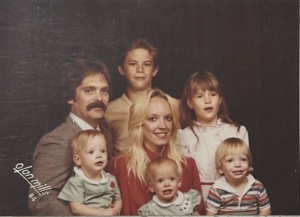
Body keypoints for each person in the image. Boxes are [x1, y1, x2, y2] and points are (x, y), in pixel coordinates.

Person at [28, 58, 111, 215]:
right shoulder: (58, 140)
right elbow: (41, 201)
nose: (99, 98)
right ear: (71, 97)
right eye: (89, 91)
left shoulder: (105, 134)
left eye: (104, 91)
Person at [109, 88, 205, 215]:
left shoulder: (187, 165)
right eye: (153, 119)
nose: (163, 126)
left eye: (168, 118)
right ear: (139, 124)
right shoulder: (121, 165)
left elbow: (199, 212)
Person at [177, 71, 249, 201]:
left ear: (220, 99)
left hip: (232, 196)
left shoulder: (237, 132)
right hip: (199, 197)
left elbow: (244, 169)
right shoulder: (184, 135)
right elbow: (184, 175)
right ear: (190, 103)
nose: (207, 100)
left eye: (213, 94)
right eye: (200, 96)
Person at [101, 38, 179, 157]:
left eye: (146, 64)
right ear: (121, 69)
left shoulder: (174, 106)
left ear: (155, 70)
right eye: (133, 64)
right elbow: (107, 157)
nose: (140, 70)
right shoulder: (109, 112)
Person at [58, 130, 122, 215]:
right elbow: (76, 208)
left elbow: (118, 200)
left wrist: (115, 210)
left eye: (103, 151)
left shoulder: (111, 179)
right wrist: (102, 213)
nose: (99, 155)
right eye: (91, 152)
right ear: (78, 159)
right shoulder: (76, 182)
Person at [206, 137, 271, 215]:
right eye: (230, 160)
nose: (238, 165)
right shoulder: (216, 190)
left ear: (249, 165)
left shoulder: (257, 186)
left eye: (243, 159)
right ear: (220, 168)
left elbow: (265, 211)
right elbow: (210, 215)